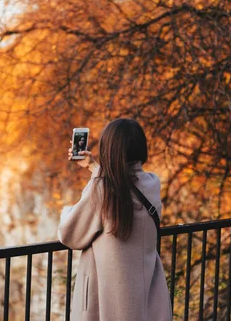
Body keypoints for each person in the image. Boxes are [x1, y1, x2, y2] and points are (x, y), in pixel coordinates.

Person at [58, 118, 172, 321]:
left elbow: (69, 235)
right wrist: (94, 168)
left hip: (105, 307)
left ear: (109, 149)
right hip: (145, 302)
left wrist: (67, 211)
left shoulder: (102, 190)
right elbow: (124, 183)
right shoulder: (151, 184)